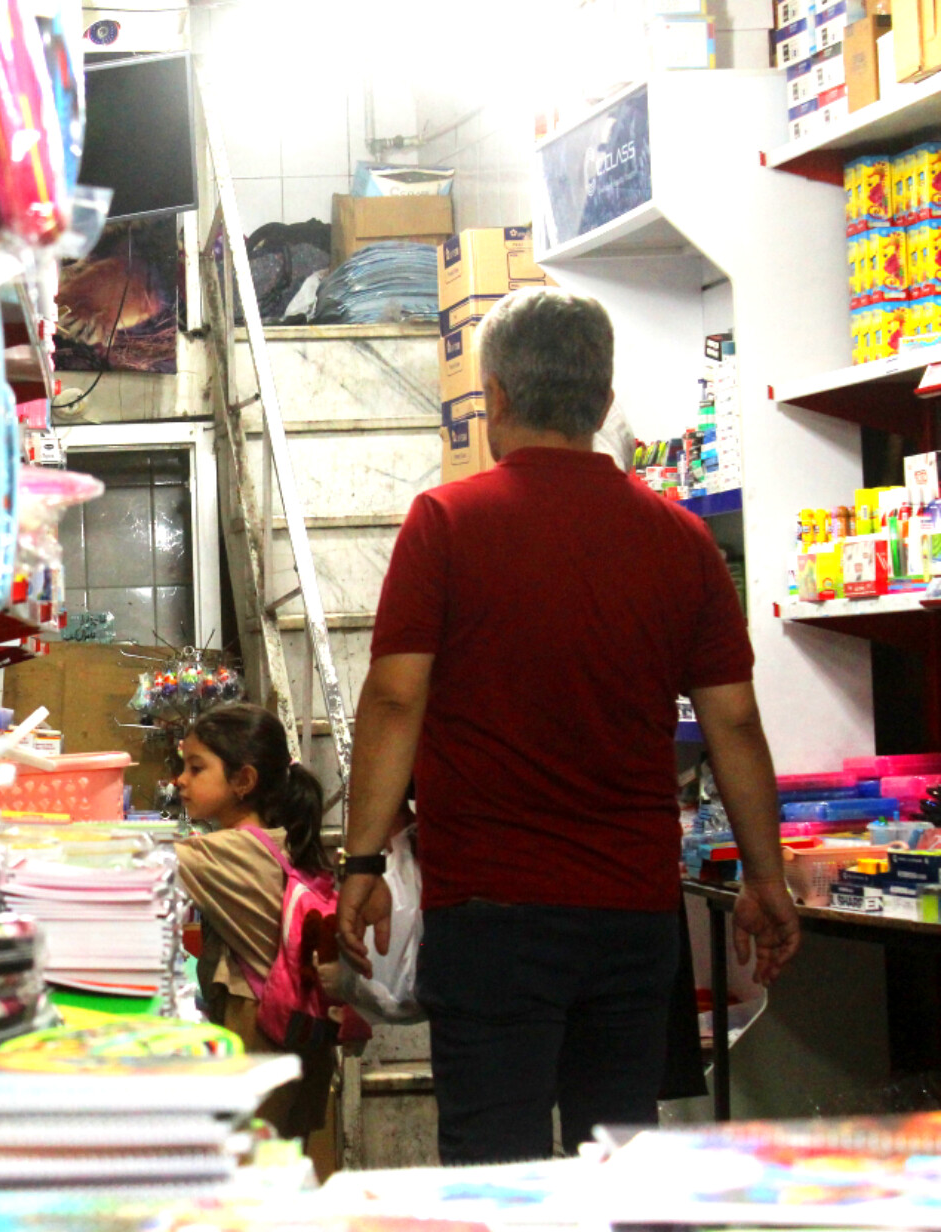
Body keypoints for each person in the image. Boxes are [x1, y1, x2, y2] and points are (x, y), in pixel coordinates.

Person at [333, 288, 802, 1166]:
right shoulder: (682, 541)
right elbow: (735, 723)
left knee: (494, 1167)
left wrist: (362, 863)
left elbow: (395, 702)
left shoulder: (446, 523)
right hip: (632, 915)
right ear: (604, 397)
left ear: (497, 397)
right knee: (616, 1161)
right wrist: (765, 877)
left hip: (491, 913)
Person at [172, 703, 346, 1141]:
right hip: (300, 1038)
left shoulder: (233, 851)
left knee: (249, 1162)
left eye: (196, 768)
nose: (180, 780)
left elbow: (139, 863)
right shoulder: (281, 840)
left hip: (260, 1037)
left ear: (243, 781)